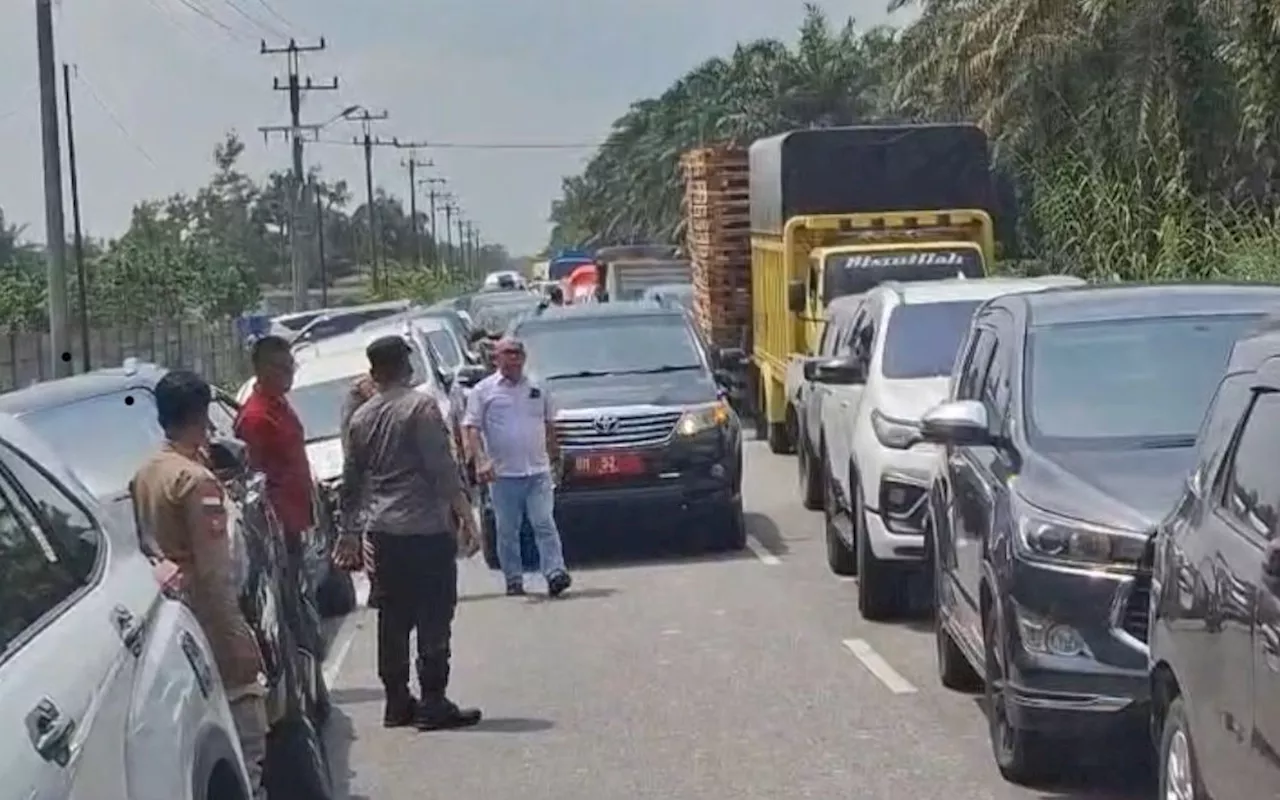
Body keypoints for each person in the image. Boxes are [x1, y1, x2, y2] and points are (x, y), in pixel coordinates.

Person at [131, 371, 267, 799]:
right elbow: (214, 573)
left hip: (171, 618)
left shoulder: (145, 473)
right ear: (203, 414)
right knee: (247, 738)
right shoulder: (194, 480)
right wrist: (239, 644)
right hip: (208, 622)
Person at [337, 335, 482, 730]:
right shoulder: (420, 407)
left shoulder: (361, 418)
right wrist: (467, 517)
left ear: (374, 371)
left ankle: (397, 700)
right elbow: (441, 469)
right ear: (404, 365)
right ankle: (434, 700)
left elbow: (352, 482)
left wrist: (349, 531)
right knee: (434, 614)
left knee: (393, 617)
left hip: (383, 530)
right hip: (424, 527)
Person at [463, 336, 572, 597]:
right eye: (507, 353)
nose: (513, 358)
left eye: (517, 353)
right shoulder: (483, 391)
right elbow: (471, 427)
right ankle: (513, 578)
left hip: (537, 470)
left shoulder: (538, 387)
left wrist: (557, 455)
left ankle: (555, 572)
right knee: (507, 528)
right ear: (496, 358)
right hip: (503, 475)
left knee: (544, 523)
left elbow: (549, 425)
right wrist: (480, 459)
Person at [234, 335, 322, 654]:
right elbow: (255, 483)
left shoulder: (280, 405)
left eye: (291, 366)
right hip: (278, 526)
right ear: (261, 369)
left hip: (296, 518)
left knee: (301, 594)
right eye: (282, 368)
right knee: (289, 605)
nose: (290, 373)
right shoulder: (256, 417)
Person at [338, 373, 379, 606]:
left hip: (375, 478)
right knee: (371, 531)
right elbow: (352, 453)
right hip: (367, 478)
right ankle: (377, 583)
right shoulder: (357, 413)